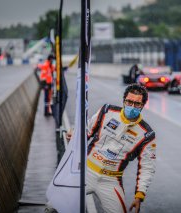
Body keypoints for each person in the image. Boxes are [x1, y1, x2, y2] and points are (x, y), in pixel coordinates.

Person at [67, 84, 156, 213]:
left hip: (111, 180)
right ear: (124, 100)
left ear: (143, 105)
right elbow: (86, 131)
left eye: (137, 104)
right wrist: (74, 135)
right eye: (129, 102)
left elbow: (147, 166)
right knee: (55, 205)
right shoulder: (107, 111)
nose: (132, 106)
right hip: (86, 171)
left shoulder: (147, 134)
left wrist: (139, 195)